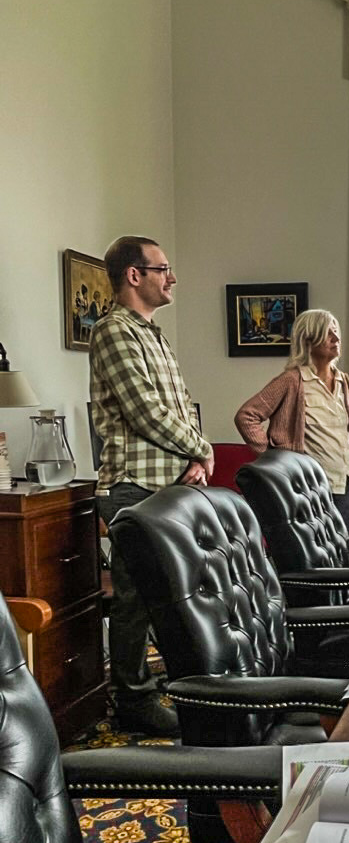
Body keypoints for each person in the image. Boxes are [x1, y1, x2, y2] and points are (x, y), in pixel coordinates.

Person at [89, 235, 214, 736]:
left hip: (170, 483)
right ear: (135, 275)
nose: (173, 278)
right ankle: (133, 700)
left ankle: (164, 688)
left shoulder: (154, 334)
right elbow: (145, 412)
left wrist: (196, 455)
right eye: (163, 269)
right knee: (135, 600)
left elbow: (180, 407)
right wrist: (202, 449)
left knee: (174, 594)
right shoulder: (113, 331)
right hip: (134, 485)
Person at [235, 308, 349, 535]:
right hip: (308, 488)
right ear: (308, 339)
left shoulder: (348, 382)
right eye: (327, 333)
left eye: (336, 332)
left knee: (344, 557)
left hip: (348, 485)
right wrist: (274, 459)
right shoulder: (292, 381)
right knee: (314, 563)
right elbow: (246, 416)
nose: (336, 339)